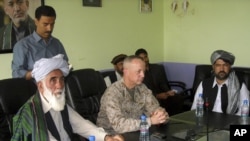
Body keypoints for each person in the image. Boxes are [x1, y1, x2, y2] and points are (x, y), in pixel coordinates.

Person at [11, 54, 124, 141]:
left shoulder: (59, 102)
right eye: (53, 80)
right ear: (40, 86)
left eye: (61, 79)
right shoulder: (31, 112)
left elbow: (81, 125)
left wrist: (107, 138)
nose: (60, 85)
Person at [97, 55, 169, 134]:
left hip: (135, 131)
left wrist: (161, 115)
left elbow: (154, 108)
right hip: (111, 135)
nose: (143, 75)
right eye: (138, 71)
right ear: (126, 71)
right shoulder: (112, 93)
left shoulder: (142, 88)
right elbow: (119, 125)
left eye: (143, 71)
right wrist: (150, 121)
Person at [11, 5, 69, 80]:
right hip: (33, 90)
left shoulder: (57, 43)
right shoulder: (22, 46)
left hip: (57, 88)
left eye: (52, 24)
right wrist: (37, 73)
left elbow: (65, 65)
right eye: (45, 24)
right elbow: (16, 74)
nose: (49, 28)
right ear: (36, 22)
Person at [191, 50, 250, 115]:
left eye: (225, 65)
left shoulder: (239, 85)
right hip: (207, 121)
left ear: (229, 67)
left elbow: (245, 110)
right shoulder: (204, 84)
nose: (222, 69)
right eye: (218, 65)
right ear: (213, 67)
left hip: (229, 121)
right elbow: (194, 108)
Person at [135, 48, 184, 116]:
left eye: (145, 57)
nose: (145, 59)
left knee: (177, 98)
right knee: (157, 103)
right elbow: (140, 91)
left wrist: (168, 92)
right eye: (142, 58)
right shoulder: (137, 73)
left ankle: (176, 119)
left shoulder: (157, 68)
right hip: (151, 97)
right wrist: (157, 96)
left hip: (163, 94)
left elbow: (163, 83)